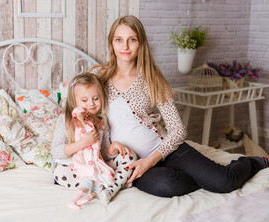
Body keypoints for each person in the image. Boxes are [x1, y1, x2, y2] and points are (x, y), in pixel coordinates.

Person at [87, 15, 269, 198]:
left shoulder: (152, 77)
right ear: (111, 43)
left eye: (132, 39)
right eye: (119, 40)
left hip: (166, 150)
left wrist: (151, 161)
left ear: (141, 43)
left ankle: (253, 163)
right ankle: (203, 177)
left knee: (224, 181)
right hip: (132, 161)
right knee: (167, 186)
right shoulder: (98, 75)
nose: (125, 46)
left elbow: (177, 129)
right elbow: (77, 106)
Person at [51, 73, 137, 208]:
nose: (91, 104)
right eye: (84, 100)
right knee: (59, 173)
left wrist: (112, 149)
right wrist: (82, 144)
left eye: (96, 98)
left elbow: (103, 152)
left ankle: (108, 190)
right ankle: (107, 185)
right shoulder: (66, 120)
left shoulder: (101, 121)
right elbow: (56, 151)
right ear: (74, 100)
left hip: (99, 164)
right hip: (78, 168)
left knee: (129, 156)